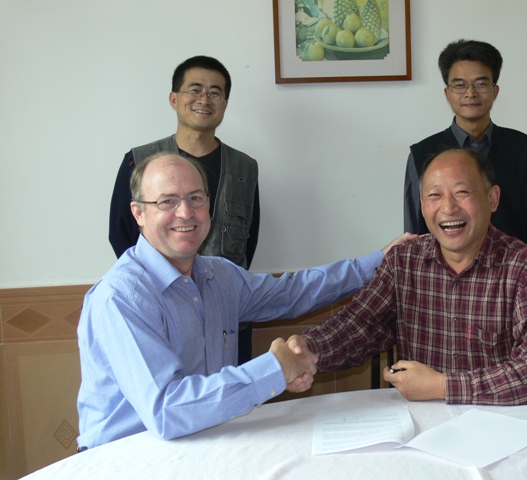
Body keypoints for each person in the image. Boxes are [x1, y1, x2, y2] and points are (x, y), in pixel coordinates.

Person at [78, 152, 414, 449]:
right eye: (167, 201)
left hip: (201, 446)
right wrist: (274, 370)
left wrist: (379, 260)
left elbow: (294, 292)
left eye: (195, 198)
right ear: (138, 213)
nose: (185, 212)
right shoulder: (120, 297)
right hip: (123, 460)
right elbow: (167, 410)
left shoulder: (218, 276)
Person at [290, 148, 527, 405]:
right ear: (422, 204)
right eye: (435, 195)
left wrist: (442, 386)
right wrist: (305, 351)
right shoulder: (404, 262)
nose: (448, 208)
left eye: (462, 192)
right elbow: (359, 326)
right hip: (422, 429)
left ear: (492, 198)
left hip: (504, 427)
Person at [109, 55, 258, 364]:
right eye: (195, 89)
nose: (204, 99)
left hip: (228, 320)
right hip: (163, 318)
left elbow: (249, 239)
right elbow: (121, 233)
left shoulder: (245, 168)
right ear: (174, 99)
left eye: (215, 92)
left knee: (236, 404)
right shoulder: (140, 160)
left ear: (225, 103)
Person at [404, 39, 527, 260]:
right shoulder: (422, 153)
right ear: (447, 93)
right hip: (444, 278)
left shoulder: (523, 148)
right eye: (460, 85)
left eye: (481, 84)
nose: (470, 93)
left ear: (495, 91)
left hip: (512, 274)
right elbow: (415, 232)